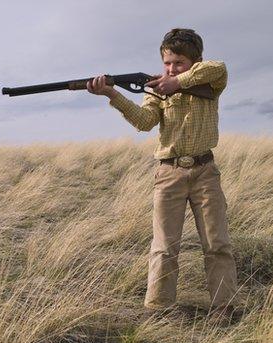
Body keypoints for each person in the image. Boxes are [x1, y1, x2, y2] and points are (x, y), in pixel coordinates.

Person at [87, 28, 238, 313]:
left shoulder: (210, 80)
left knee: (217, 244)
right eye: (167, 63)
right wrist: (111, 93)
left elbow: (219, 68)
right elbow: (144, 122)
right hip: (169, 175)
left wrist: (177, 82)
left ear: (195, 61)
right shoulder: (155, 90)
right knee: (164, 248)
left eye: (179, 62)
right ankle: (159, 311)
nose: (170, 68)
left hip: (205, 171)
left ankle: (224, 309)